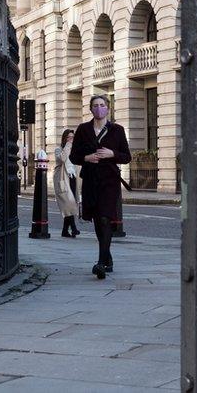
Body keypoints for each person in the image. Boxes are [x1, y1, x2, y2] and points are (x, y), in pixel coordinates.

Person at [69, 95, 131, 279]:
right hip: (90, 180)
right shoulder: (83, 129)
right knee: (97, 220)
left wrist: (112, 153)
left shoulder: (117, 130)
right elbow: (74, 156)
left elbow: (126, 156)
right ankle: (108, 258)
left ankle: (101, 262)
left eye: (102, 105)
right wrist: (86, 158)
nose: (99, 108)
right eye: (95, 105)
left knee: (105, 218)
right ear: (90, 109)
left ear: (108, 108)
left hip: (109, 181)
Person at [53, 129, 81, 237]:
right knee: (68, 204)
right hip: (63, 180)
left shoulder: (74, 150)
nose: (72, 140)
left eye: (73, 137)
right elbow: (63, 159)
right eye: (69, 137)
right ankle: (73, 228)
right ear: (65, 138)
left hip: (72, 178)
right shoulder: (58, 150)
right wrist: (68, 146)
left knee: (71, 204)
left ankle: (65, 230)